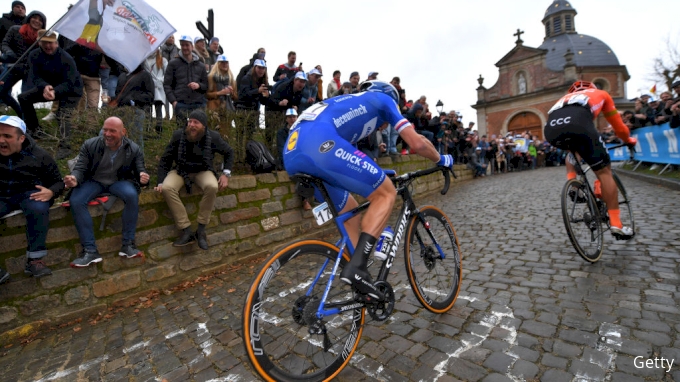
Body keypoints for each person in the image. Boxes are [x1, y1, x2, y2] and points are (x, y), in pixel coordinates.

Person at [283, 81, 454, 300]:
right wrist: (442, 159)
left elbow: (349, 161)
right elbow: (417, 144)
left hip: (293, 153)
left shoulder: (349, 104)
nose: (384, 127)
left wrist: (378, 172)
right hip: (320, 145)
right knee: (386, 193)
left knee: (351, 211)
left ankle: (361, 283)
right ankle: (357, 269)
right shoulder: (383, 100)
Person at [544, 80, 637, 239]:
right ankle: (616, 224)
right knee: (604, 172)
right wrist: (628, 140)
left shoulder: (563, 99)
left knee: (573, 150)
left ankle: (572, 184)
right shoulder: (601, 94)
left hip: (551, 131)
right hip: (579, 126)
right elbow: (619, 127)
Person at [65, 117, 149, 267]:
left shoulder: (134, 148)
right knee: (76, 201)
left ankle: (128, 245)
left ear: (123, 132)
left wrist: (143, 177)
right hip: (94, 180)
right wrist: (74, 179)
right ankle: (90, 251)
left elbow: (140, 169)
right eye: (105, 130)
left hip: (118, 181)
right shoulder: (90, 145)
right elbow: (81, 168)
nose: (107, 134)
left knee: (131, 195)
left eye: (112, 131)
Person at [155, 110, 233, 250]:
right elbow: (165, 160)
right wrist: (160, 182)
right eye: (190, 121)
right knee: (167, 188)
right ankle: (186, 230)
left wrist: (225, 174)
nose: (191, 125)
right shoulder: (179, 135)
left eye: (195, 122)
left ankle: (201, 230)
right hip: (180, 170)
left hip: (203, 170)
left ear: (203, 126)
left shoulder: (213, 137)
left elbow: (229, 152)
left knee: (212, 186)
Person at [0, 115, 63, 280]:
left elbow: (58, 182)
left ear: (21, 138)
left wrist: (51, 192)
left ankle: (35, 260)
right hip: (2, 196)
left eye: (7, 136)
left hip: (28, 193)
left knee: (38, 207)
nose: (1, 140)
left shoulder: (40, 155)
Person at [18, 29, 83, 160]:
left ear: (57, 43)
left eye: (51, 43)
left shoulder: (66, 58)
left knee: (62, 115)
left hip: (71, 90)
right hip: (49, 87)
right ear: (39, 42)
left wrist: (55, 91)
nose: (48, 46)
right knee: (23, 98)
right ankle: (35, 130)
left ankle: (65, 145)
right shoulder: (34, 55)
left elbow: (69, 82)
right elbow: (35, 77)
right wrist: (45, 87)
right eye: (44, 42)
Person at [0, 10, 46, 117]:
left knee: (25, 97)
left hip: (30, 71)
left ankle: (30, 125)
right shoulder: (15, 29)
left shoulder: (43, 38)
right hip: (14, 66)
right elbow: (5, 44)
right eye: (34, 18)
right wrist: (9, 52)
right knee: (1, 91)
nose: (37, 21)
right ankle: (20, 113)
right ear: (29, 18)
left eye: (40, 20)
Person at [163, 35, 207, 129]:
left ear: (192, 46)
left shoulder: (200, 65)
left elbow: (206, 85)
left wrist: (198, 85)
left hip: (198, 103)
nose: (184, 47)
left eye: (187, 45)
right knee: (182, 133)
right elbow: (167, 84)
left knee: (199, 132)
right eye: (182, 45)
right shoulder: (173, 63)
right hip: (181, 103)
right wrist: (174, 102)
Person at [144, 48, 168, 135]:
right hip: (148, 87)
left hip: (158, 88)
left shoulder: (163, 60)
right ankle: (147, 129)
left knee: (158, 108)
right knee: (147, 109)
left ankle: (159, 129)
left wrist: (161, 80)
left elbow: (167, 74)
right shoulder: (144, 60)